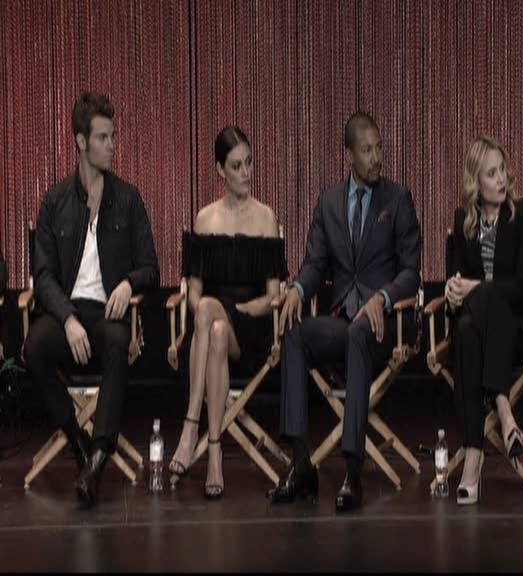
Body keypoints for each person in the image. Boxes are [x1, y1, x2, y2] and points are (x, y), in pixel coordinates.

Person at [268, 111, 421, 512]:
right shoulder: (329, 202)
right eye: (367, 150)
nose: (377, 158)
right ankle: (301, 463)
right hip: (344, 318)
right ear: (348, 155)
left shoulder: (397, 200)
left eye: (379, 148)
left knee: (358, 333)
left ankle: (353, 468)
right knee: (294, 333)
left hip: (385, 324)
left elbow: (411, 273)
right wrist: (298, 288)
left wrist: (382, 298)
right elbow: (315, 264)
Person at [22, 91, 160, 507]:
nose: (111, 145)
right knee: (34, 347)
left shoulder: (129, 199)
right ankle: (77, 440)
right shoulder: (55, 201)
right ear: (81, 141)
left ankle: (98, 457)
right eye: (102, 137)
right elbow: (43, 276)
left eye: (113, 136)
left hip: (106, 313)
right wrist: (66, 319)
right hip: (68, 313)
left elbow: (151, 268)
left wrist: (128, 284)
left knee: (118, 341)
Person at [167, 126, 286, 500]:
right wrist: (210, 312)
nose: (246, 172)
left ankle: (190, 427)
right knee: (211, 323)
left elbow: (274, 296)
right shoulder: (205, 220)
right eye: (236, 166)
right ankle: (214, 454)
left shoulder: (265, 218)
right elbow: (193, 295)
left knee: (210, 312)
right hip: (213, 333)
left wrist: (254, 307)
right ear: (220, 170)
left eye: (249, 163)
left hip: (251, 328)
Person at [447, 136, 523, 505]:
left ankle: (474, 455)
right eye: (491, 173)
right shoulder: (463, 221)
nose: (501, 179)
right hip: (475, 331)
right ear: (476, 182)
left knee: (483, 302)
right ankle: (502, 411)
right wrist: (453, 290)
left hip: (513, 330)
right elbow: (457, 277)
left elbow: (521, 287)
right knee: (466, 328)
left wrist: (474, 288)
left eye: (502, 170)